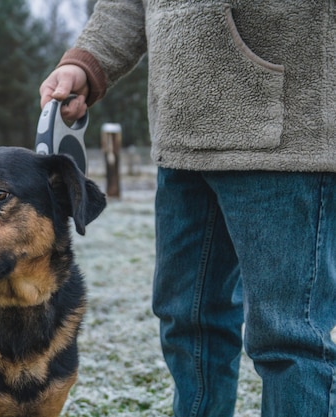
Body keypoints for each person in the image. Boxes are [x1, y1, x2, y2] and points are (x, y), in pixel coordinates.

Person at [39, 2, 336, 416]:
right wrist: (86, 64)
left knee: (289, 339)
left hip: (286, 138)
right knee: (187, 321)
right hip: (180, 142)